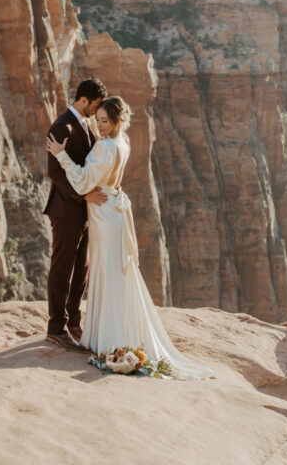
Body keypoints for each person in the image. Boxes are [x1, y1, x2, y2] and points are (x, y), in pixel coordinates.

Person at [46, 95, 213, 379]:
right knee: (113, 271)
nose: (98, 126)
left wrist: (60, 154)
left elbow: (84, 180)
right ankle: (111, 333)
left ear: (117, 122)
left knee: (107, 271)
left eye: (104, 121)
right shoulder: (123, 142)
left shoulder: (104, 147)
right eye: (96, 120)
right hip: (112, 209)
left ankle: (108, 339)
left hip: (103, 213)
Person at [44, 77, 108, 351]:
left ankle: (73, 321)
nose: (96, 110)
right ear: (84, 100)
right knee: (62, 267)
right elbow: (54, 172)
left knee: (81, 268)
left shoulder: (84, 123)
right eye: (95, 104)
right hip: (66, 210)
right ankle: (56, 327)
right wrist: (83, 195)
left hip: (85, 211)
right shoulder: (61, 126)